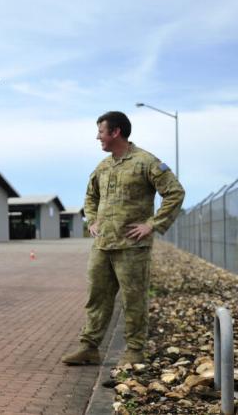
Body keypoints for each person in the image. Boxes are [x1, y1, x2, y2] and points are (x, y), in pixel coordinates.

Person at [62, 111, 185, 367]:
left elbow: (175, 193)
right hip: (103, 245)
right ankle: (89, 347)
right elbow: (90, 196)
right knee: (97, 297)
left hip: (132, 247)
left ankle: (134, 351)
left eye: (101, 131)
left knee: (133, 298)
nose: (98, 137)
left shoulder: (146, 162)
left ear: (115, 132)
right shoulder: (103, 166)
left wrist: (152, 225)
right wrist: (92, 220)